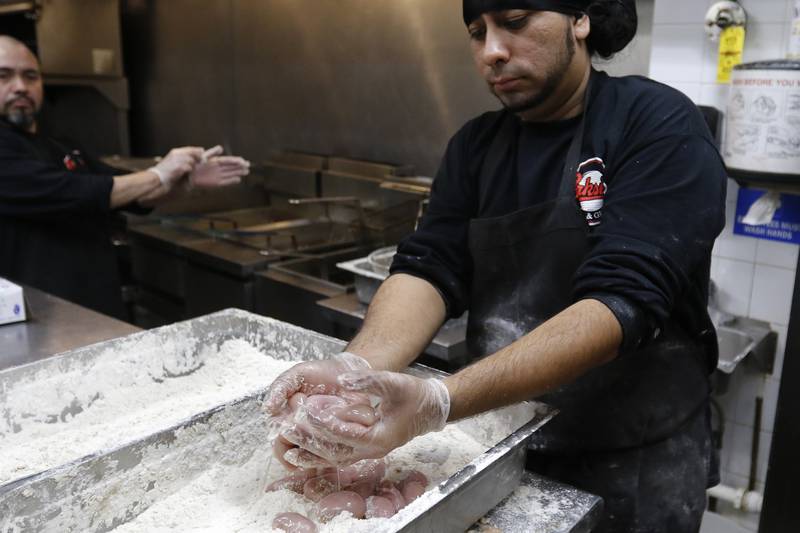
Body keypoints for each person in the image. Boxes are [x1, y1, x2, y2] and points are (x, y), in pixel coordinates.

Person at [265, 1, 727, 531]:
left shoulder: (655, 122)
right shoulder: (476, 146)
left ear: (579, 20)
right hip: (503, 444)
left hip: (636, 457)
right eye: (476, 32)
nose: (492, 52)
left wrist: (440, 400)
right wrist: (357, 371)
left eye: (515, 22)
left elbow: (621, 301)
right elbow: (429, 267)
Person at [0, 35, 250, 319]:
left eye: (30, 76)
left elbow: (127, 193)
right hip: (36, 318)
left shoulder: (59, 145)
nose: (20, 87)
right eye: (4, 76)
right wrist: (159, 173)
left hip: (95, 309)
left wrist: (184, 182)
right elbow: (70, 191)